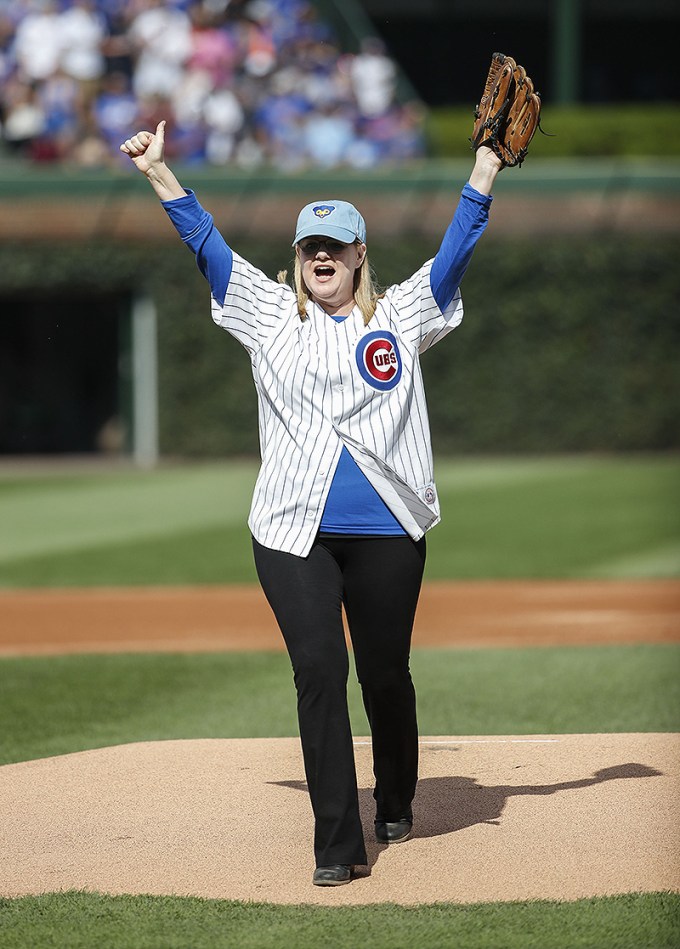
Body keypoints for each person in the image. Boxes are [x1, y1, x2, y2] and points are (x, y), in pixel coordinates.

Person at [120, 119, 503, 886]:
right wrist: (160, 173)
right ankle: (337, 842)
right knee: (320, 667)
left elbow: (456, 252)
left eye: (335, 245)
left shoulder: (399, 316)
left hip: (389, 527)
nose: (321, 256)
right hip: (292, 531)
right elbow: (206, 242)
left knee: (384, 672)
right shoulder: (267, 311)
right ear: (297, 258)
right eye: (309, 247)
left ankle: (396, 793)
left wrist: (485, 166)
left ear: (360, 255)